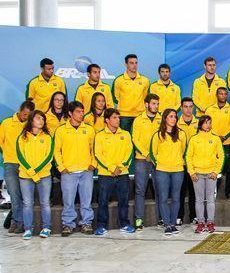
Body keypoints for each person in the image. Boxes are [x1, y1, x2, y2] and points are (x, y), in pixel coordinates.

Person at [54, 100, 96, 236]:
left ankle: (86, 223)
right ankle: (68, 224)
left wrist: (93, 164)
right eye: (78, 111)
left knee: (86, 200)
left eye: (83, 111)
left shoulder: (89, 129)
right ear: (70, 113)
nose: (81, 114)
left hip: (86, 171)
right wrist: (61, 167)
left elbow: (94, 149)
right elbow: (56, 151)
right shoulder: (61, 130)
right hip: (69, 172)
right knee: (68, 201)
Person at [93, 108, 134, 236]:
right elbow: (98, 154)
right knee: (103, 201)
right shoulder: (100, 135)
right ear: (107, 120)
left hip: (122, 173)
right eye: (114, 118)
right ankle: (101, 226)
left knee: (124, 200)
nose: (118, 120)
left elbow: (129, 153)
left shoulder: (126, 134)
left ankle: (125, 224)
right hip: (106, 174)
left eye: (118, 117)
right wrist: (111, 168)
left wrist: (120, 167)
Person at [16, 110, 54, 240]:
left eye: (43, 119)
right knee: (27, 203)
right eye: (38, 118)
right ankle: (27, 229)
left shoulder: (47, 137)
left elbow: (49, 156)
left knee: (45, 202)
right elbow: (20, 156)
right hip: (26, 176)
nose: (41, 121)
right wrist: (31, 172)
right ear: (31, 120)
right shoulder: (22, 137)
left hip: (44, 175)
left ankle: (47, 227)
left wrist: (37, 171)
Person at [150, 109, 188, 235]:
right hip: (162, 170)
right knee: (163, 198)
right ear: (165, 118)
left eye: (175, 117)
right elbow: (152, 153)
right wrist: (160, 164)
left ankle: (173, 223)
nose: (174, 119)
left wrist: (178, 161)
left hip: (178, 170)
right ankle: (166, 224)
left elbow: (184, 150)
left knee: (176, 198)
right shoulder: (157, 135)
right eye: (171, 116)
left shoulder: (181, 134)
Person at [0, 101, 35, 233]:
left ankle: (21, 222)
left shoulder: (30, 125)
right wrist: (8, 153)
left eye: (29, 115)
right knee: (14, 194)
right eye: (25, 114)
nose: (26, 117)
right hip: (10, 163)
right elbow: (1, 141)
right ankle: (16, 221)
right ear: (20, 110)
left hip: (25, 164)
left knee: (25, 196)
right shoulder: (6, 123)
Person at [186, 115, 223, 233]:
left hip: (211, 174)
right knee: (199, 200)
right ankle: (201, 223)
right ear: (201, 124)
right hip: (197, 174)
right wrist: (191, 172)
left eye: (210, 122)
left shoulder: (216, 139)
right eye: (206, 122)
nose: (208, 125)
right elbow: (188, 157)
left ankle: (210, 222)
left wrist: (216, 171)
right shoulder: (194, 139)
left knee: (211, 199)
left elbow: (221, 156)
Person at [132, 93, 162, 230]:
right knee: (140, 190)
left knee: (160, 190)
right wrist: (146, 154)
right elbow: (135, 139)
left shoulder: (161, 119)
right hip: (141, 160)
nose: (156, 106)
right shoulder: (138, 120)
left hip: (158, 161)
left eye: (157, 104)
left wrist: (156, 155)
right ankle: (139, 219)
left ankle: (162, 218)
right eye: (153, 103)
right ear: (146, 104)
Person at [205, 87, 230, 200]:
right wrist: (216, 137)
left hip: (227, 142)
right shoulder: (209, 109)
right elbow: (207, 125)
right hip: (212, 143)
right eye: (221, 94)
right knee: (212, 167)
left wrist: (224, 137)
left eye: (225, 94)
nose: (223, 96)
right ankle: (210, 193)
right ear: (216, 95)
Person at [113, 54, 150, 132]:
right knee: (123, 140)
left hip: (140, 115)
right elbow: (114, 98)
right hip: (124, 116)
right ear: (126, 64)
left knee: (140, 139)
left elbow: (146, 97)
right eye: (131, 63)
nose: (134, 65)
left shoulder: (145, 80)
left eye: (136, 63)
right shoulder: (119, 80)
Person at [176, 97, 199, 225]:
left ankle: (193, 216)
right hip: (180, 163)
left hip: (195, 164)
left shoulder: (198, 124)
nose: (188, 109)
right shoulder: (176, 124)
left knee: (193, 191)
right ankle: (179, 216)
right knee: (180, 191)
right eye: (186, 107)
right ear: (181, 108)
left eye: (191, 107)